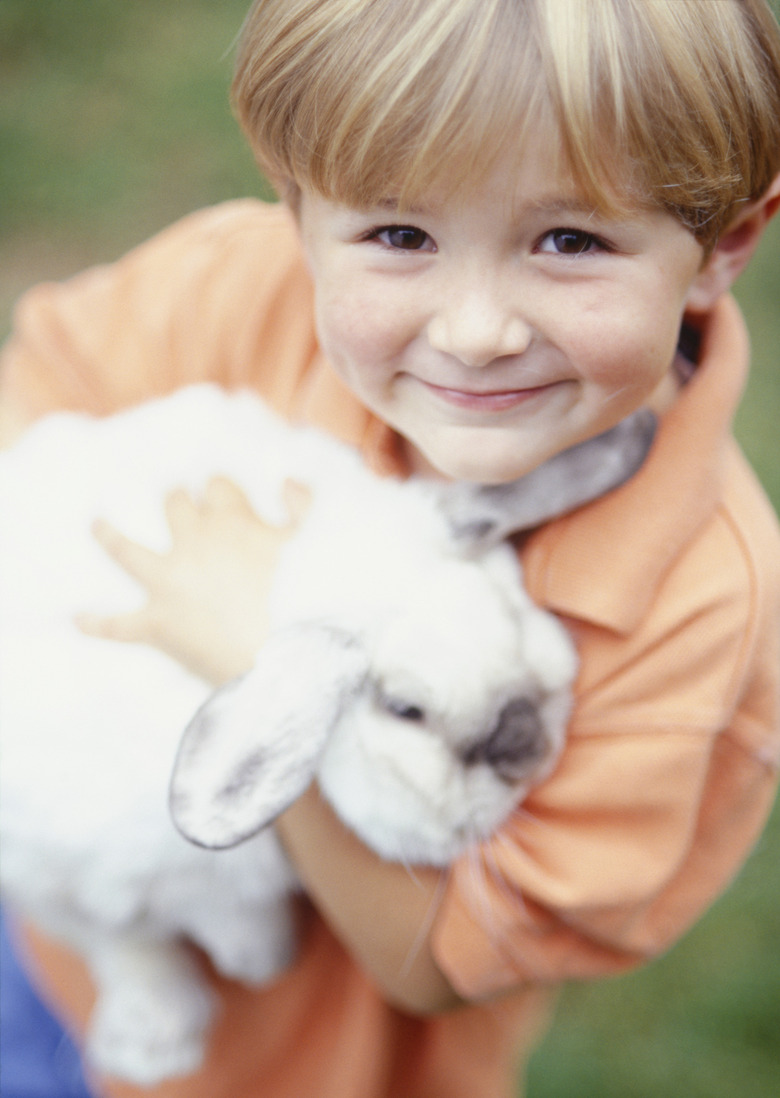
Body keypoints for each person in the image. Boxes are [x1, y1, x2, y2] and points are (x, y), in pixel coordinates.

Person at [1, 1, 779, 1095]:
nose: (474, 330)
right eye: (400, 237)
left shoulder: (699, 602)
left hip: (295, 1071)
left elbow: (449, 958)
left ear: (721, 246)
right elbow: (40, 392)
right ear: (298, 214)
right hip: (56, 918)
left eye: (571, 240)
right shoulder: (242, 285)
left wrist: (259, 657)